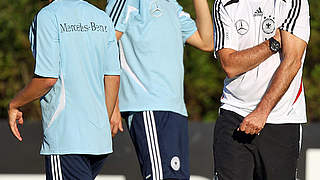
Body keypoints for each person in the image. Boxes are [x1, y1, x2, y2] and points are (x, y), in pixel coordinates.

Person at [7, 0, 120, 179]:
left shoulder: (48, 15)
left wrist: (15, 103)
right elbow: (112, 77)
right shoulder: (102, 17)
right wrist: (100, 125)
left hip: (66, 138)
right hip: (99, 141)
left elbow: (47, 79)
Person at [105, 0, 213, 179]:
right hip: (148, 105)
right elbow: (104, 46)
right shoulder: (127, 2)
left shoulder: (171, 4)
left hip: (175, 108)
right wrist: (113, 103)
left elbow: (206, 41)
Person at [212, 0, 310, 179]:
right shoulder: (224, 3)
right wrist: (273, 43)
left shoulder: (292, 2)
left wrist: (261, 112)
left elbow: (292, 61)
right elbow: (230, 65)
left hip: (281, 120)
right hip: (234, 115)